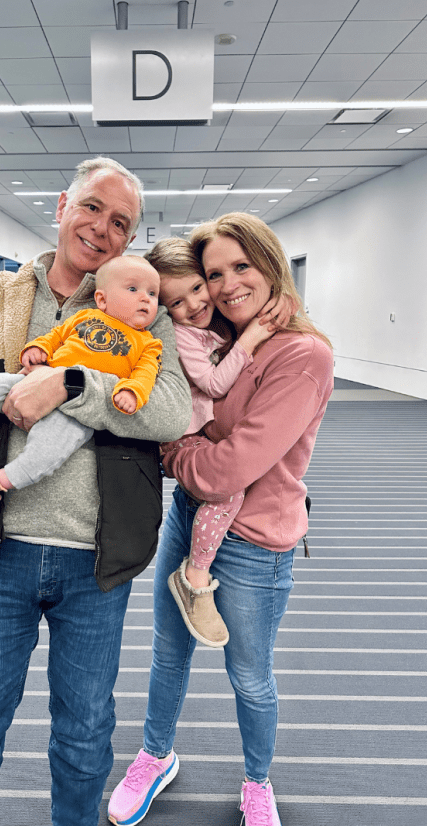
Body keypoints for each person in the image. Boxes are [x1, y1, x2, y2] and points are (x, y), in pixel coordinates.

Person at [0, 157, 194, 826]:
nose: (100, 228)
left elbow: (170, 413)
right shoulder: (3, 298)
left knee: (83, 736)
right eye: (92, 207)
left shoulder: (142, 310)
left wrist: (73, 384)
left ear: (128, 240)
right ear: (64, 203)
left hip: (95, 563)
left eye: (119, 223)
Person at [108, 213, 334, 826]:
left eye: (242, 266)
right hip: (188, 516)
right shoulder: (216, 336)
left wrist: (176, 452)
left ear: (271, 263)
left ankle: (258, 781)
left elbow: (228, 469)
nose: (228, 285)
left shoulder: (302, 354)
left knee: (250, 676)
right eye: (215, 274)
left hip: (256, 540)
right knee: (168, 650)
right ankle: (156, 755)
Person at [0, 255, 163, 509]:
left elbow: (146, 373)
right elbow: (55, 337)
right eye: (133, 289)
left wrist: (132, 391)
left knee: (44, 455)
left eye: (153, 293)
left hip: (76, 413)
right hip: (33, 378)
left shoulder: (149, 342)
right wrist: (37, 348)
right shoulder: (84, 317)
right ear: (102, 299)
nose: (145, 298)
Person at [145, 238, 277, 648]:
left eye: (198, 287)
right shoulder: (182, 336)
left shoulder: (207, 326)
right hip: (184, 438)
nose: (195, 304)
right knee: (228, 493)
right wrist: (251, 339)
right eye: (177, 302)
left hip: (197, 433)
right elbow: (215, 384)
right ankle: (196, 575)